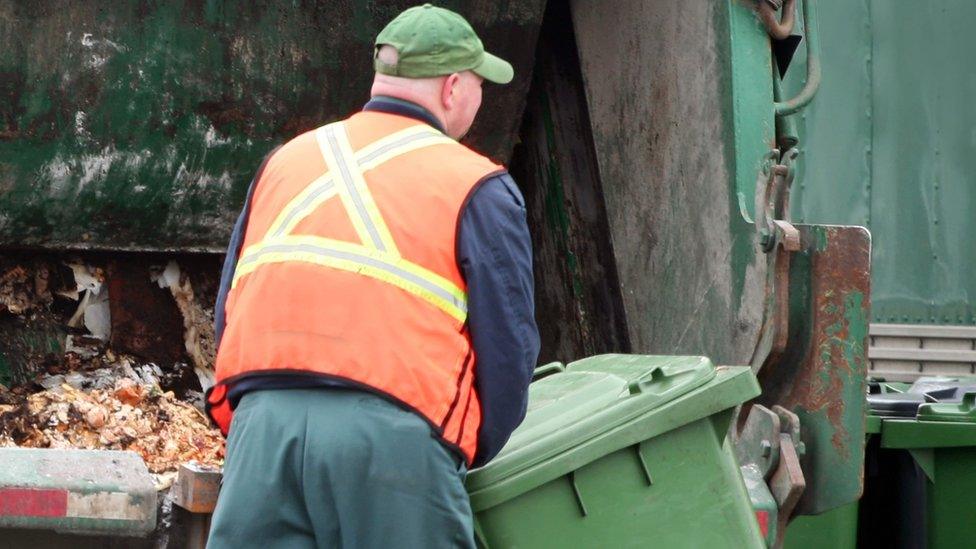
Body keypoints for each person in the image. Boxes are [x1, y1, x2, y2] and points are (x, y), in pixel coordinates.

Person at [205, 4, 539, 548]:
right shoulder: (475, 182)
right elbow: (507, 346)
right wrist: (462, 451)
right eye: (480, 84)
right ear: (453, 87)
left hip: (262, 433)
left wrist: (257, 421)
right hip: (394, 444)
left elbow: (231, 308)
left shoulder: (286, 161)